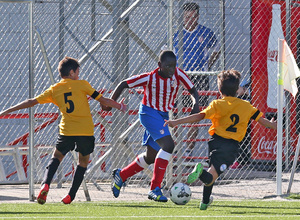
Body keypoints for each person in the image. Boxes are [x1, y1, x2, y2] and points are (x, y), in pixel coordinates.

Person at [0, 57, 127, 205]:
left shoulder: (54, 89)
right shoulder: (82, 85)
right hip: (85, 131)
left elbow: (31, 102)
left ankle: (45, 184)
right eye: (78, 71)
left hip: (67, 131)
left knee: (57, 157)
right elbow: (104, 100)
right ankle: (70, 196)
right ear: (72, 72)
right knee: (83, 162)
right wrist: (120, 107)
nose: (79, 74)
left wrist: (7, 110)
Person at [164, 69, 277, 210]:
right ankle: (199, 172)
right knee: (211, 176)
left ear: (219, 89)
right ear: (237, 90)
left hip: (215, 142)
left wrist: (176, 122)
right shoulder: (246, 106)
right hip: (230, 147)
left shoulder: (216, 104)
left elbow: (199, 116)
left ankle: (205, 202)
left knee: (212, 173)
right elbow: (262, 120)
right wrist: (272, 125)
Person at [102, 50, 199, 202]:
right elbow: (123, 84)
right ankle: (155, 188)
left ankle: (121, 175)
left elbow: (193, 90)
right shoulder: (149, 77)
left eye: (174, 66)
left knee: (150, 157)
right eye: (168, 66)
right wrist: (111, 103)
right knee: (168, 145)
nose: (171, 70)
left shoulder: (178, 74)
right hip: (148, 113)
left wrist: (195, 104)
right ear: (159, 65)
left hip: (163, 116)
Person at [173, 2, 220, 158]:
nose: (191, 20)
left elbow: (216, 50)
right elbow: (166, 53)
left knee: (196, 113)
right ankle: (174, 149)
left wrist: (206, 65)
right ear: (183, 17)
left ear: (198, 16)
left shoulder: (206, 33)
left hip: (199, 77)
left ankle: (188, 151)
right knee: (175, 114)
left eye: (194, 17)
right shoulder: (176, 34)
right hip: (180, 78)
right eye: (187, 17)